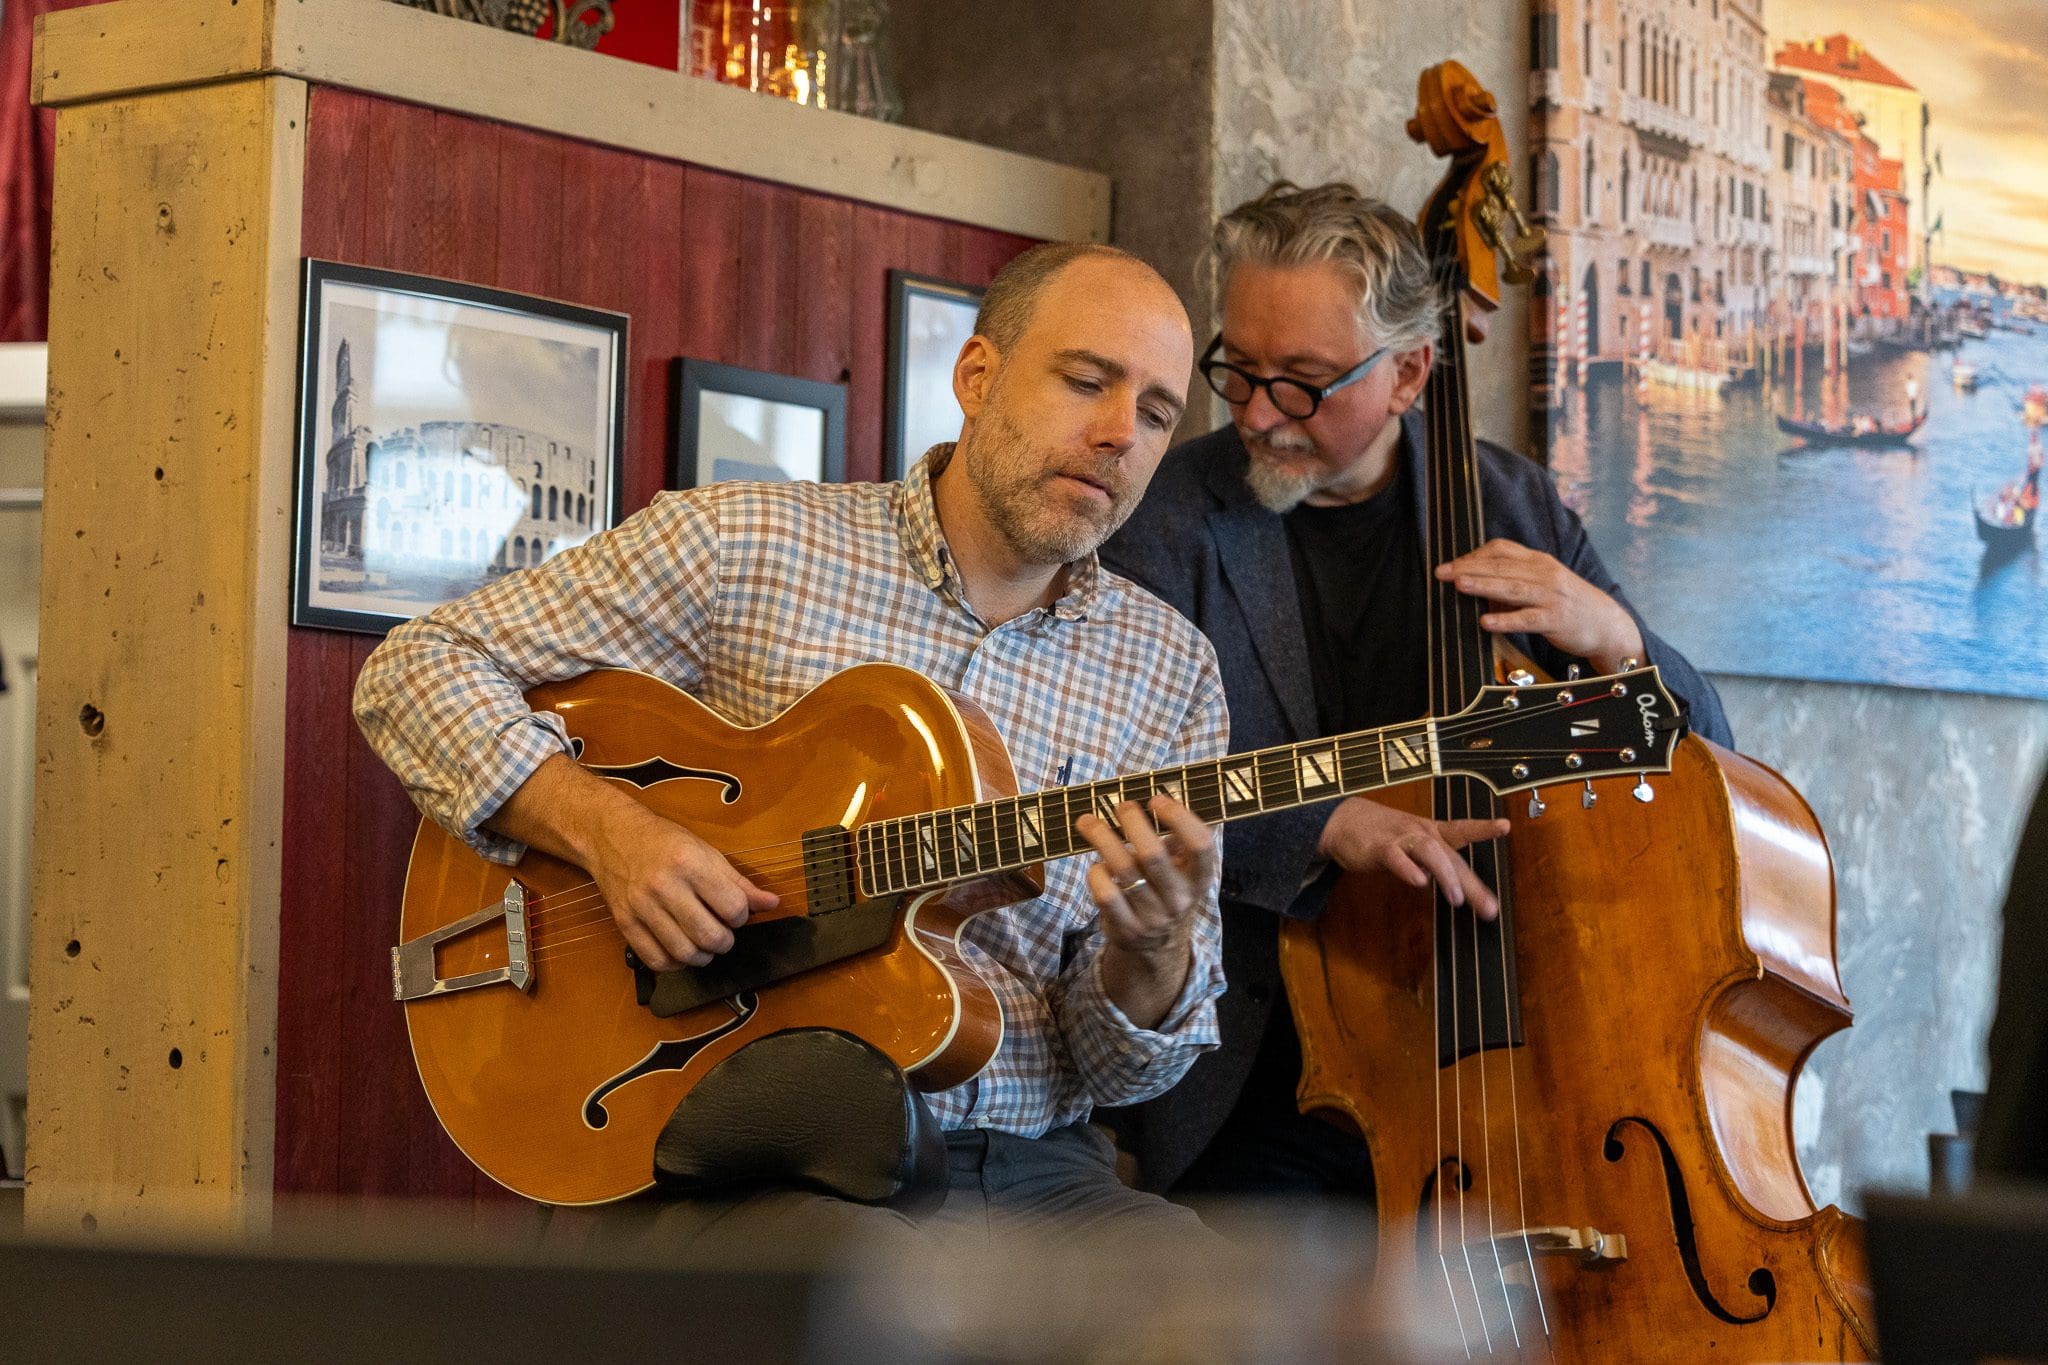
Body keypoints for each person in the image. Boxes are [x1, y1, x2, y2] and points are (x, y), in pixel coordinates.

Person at [354, 242, 1231, 1246]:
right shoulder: (745, 545)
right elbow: (417, 669)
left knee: (1228, 1299)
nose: (1119, 433)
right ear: (976, 376)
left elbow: (1121, 1072)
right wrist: (609, 834)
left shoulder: (1172, 671)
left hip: (1030, 1171)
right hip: (745, 1146)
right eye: (1085, 380)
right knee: (872, 1288)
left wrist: (1153, 952)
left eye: (1156, 413)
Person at [1100, 181, 1733, 1203]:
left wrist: (1618, 641)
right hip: (1257, 1069)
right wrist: (1321, 822)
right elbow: (1114, 776)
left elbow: (1699, 757)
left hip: (1514, 1049)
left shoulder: (1514, 503)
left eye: (1303, 383)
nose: (1256, 412)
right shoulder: (1165, 517)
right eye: (1239, 368)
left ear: (1407, 374)